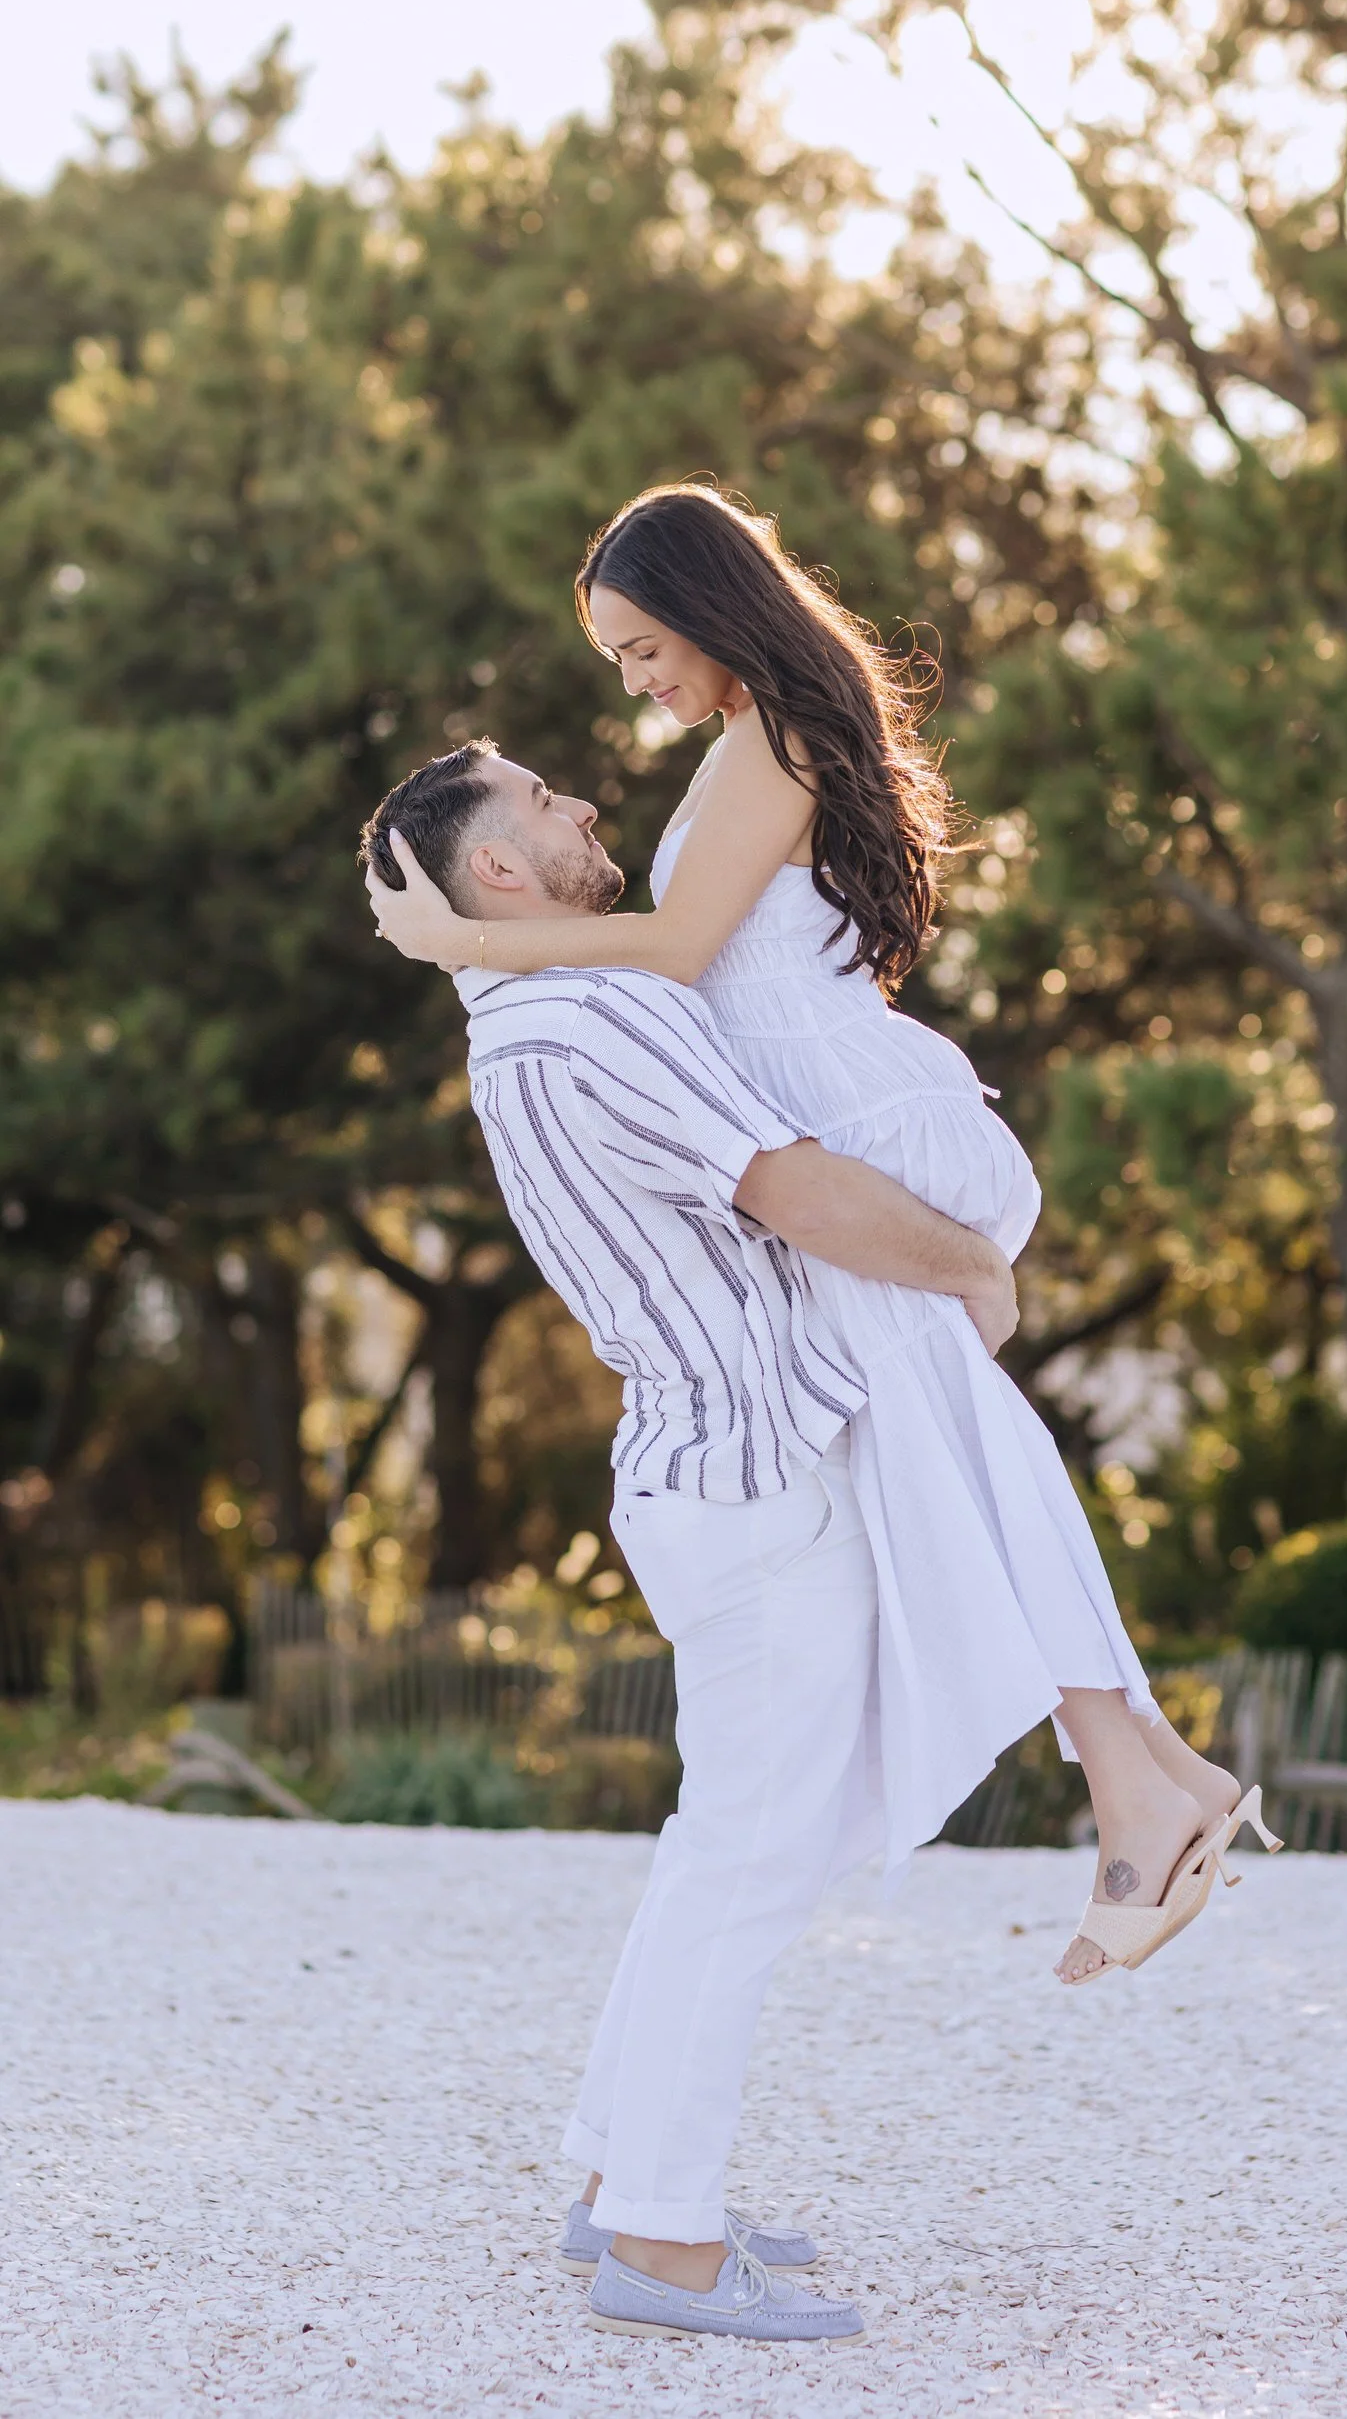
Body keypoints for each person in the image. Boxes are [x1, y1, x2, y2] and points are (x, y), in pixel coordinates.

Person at [367, 488, 1277, 1984]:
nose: (634, 682)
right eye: (615, 660)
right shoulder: (761, 742)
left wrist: (465, 942)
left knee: (950, 1462)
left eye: (642, 645)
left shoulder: (769, 741)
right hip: (848, 1108)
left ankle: (1140, 1796)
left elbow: (674, 952)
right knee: (960, 1458)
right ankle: (1154, 1781)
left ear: (714, 611)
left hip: (855, 1127)